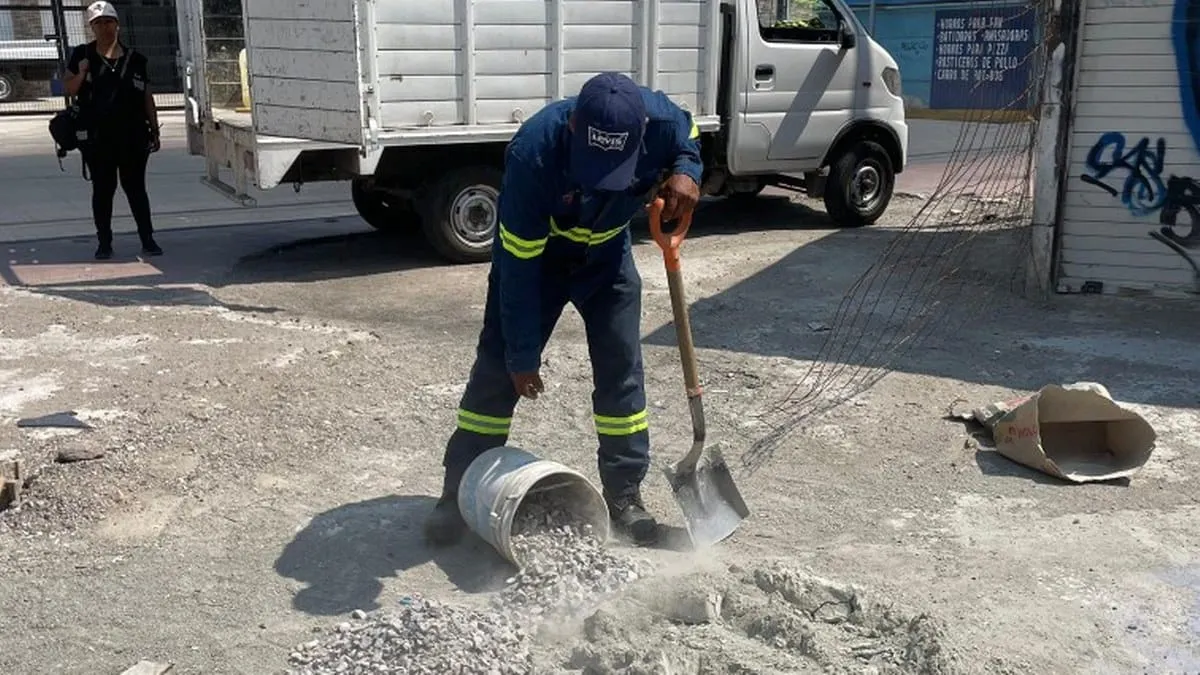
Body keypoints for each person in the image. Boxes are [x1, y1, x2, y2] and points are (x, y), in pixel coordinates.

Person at [423, 72, 703, 548]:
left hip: (607, 259)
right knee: (495, 372)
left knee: (622, 374)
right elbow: (516, 272)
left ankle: (624, 498)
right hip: (541, 262)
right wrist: (522, 356)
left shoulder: (659, 121)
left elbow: (689, 133)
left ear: (640, 137)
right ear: (573, 126)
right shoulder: (533, 154)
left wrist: (687, 171)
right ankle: (458, 493)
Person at [62, 1, 162, 260]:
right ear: (91, 27)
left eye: (108, 22)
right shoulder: (82, 55)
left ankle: (147, 238)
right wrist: (82, 73)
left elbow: (146, 97)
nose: (104, 27)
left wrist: (154, 129)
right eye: (98, 23)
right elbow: (69, 89)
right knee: (103, 190)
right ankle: (104, 242)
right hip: (98, 138)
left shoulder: (136, 59)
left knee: (136, 188)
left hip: (133, 136)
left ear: (117, 25)